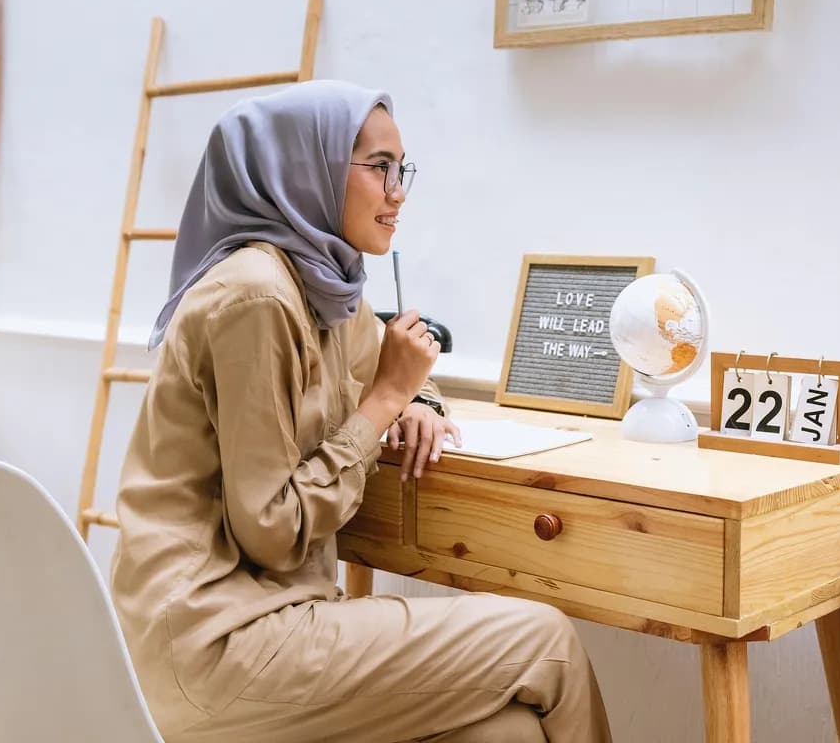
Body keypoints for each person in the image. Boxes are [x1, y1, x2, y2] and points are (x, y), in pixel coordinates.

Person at [109, 80, 613, 743]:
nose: (398, 191)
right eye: (378, 167)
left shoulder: (322, 284)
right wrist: (383, 403)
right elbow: (270, 528)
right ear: (305, 169)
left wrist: (416, 401)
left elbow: (395, 364)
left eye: (401, 169)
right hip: (217, 644)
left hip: (275, 621)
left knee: (508, 732)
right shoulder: (255, 296)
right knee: (545, 642)